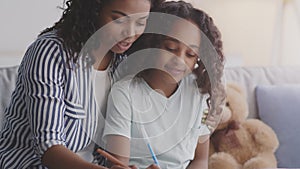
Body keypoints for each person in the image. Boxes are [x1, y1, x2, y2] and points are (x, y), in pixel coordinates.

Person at [0, 0, 164, 168]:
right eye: (119, 20)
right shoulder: (51, 51)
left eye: (140, 22)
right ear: (94, 10)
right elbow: (48, 147)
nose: (129, 33)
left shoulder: (122, 62)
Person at [102, 1, 226, 169]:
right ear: (152, 44)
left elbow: (200, 160)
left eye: (190, 54)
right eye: (171, 48)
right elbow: (117, 163)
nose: (179, 61)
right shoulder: (125, 93)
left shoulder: (198, 92)